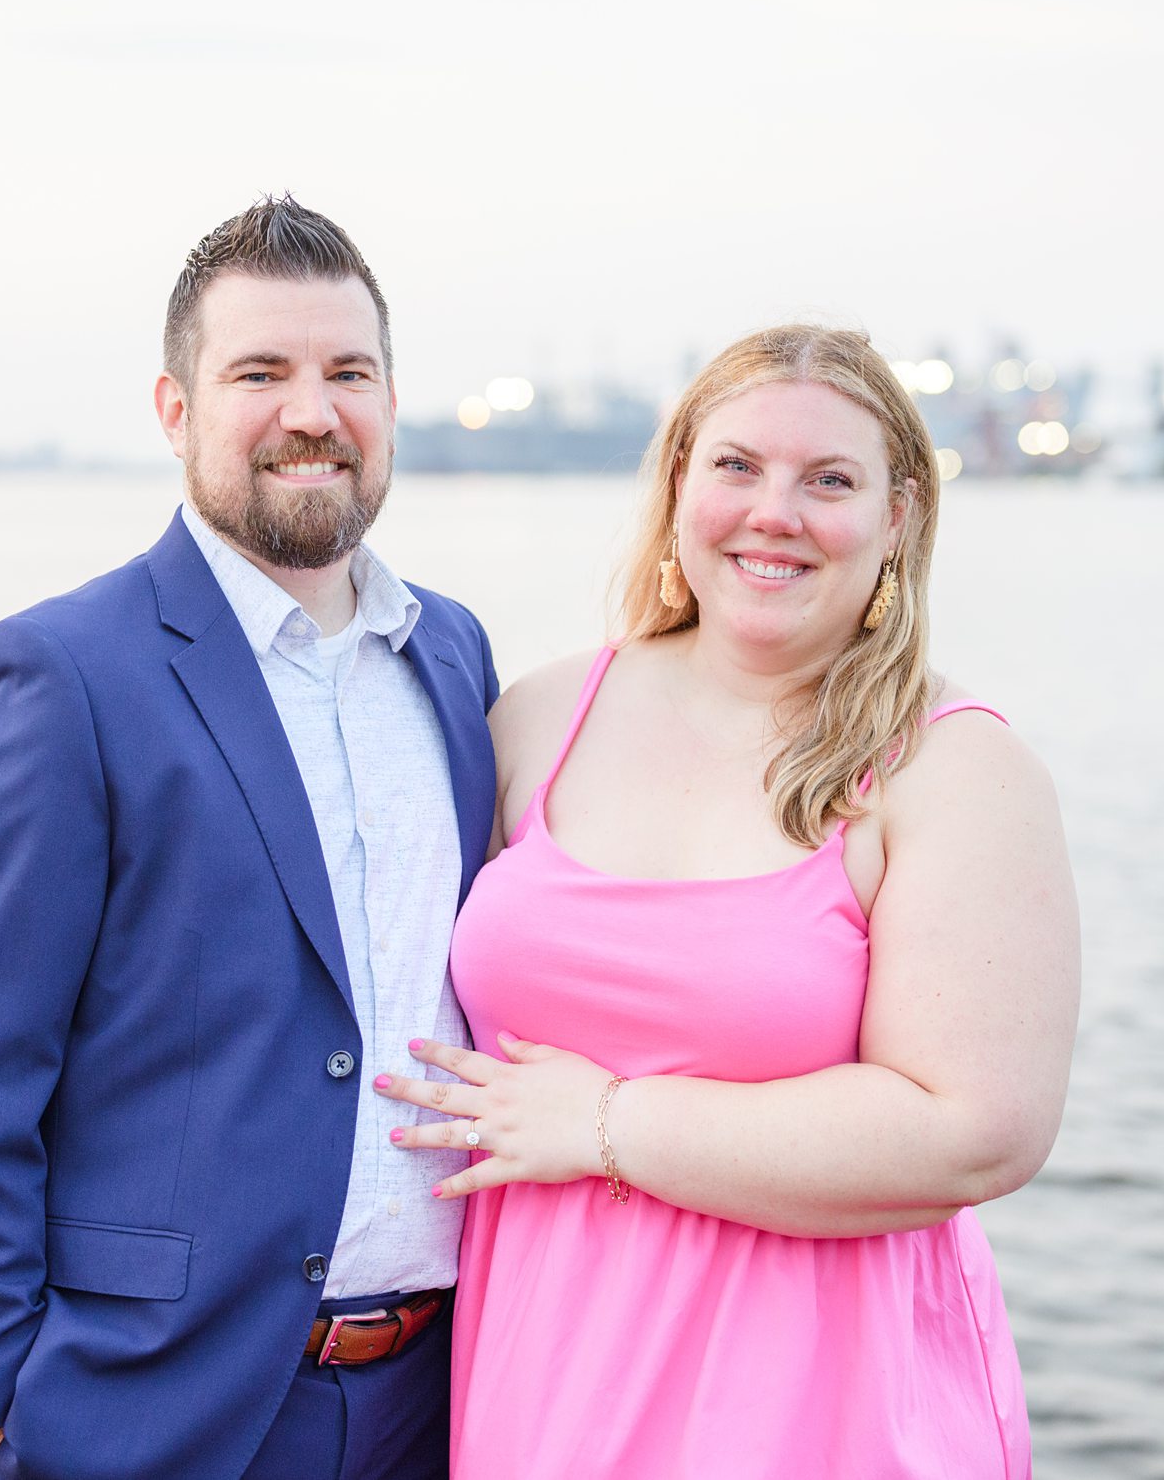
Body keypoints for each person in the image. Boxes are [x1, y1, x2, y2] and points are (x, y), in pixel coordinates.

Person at [377, 324, 1079, 1477]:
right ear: (678, 486)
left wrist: (606, 1123)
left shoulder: (954, 770)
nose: (775, 511)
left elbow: (976, 1132)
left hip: (820, 1410)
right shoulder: (539, 718)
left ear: (899, 517)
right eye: (738, 465)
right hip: (542, 1386)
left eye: (831, 480)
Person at [0, 195, 501, 1480]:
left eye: (349, 372)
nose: (312, 412)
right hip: (154, 1414)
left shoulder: (450, 656)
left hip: (437, 1403)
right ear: (177, 410)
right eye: (259, 372)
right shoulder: (62, 674)